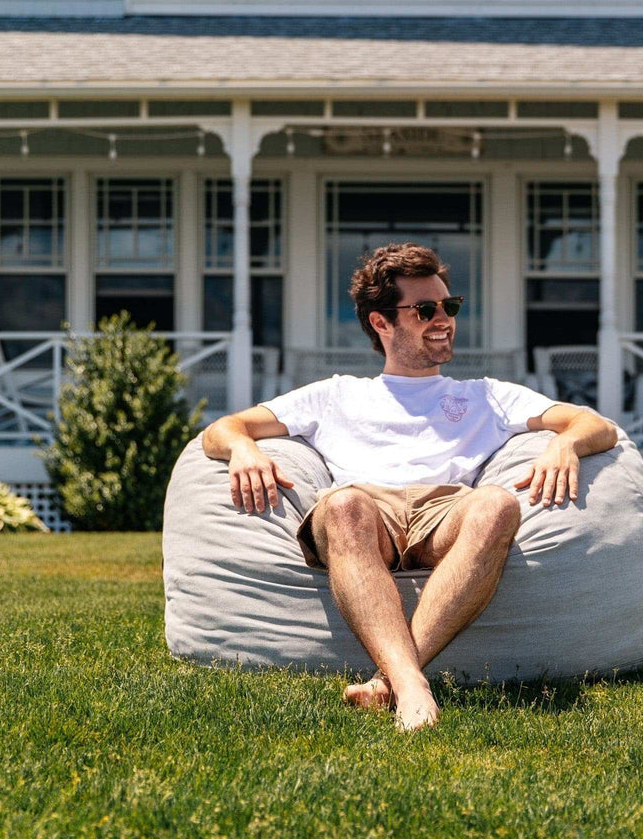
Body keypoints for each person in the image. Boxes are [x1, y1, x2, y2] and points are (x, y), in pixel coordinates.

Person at [202, 243, 618, 731]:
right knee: (344, 506)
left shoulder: (485, 395)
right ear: (382, 323)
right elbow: (221, 429)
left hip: (443, 510)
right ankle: (413, 684)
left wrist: (565, 445)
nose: (443, 318)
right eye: (425, 309)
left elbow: (597, 425)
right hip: (364, 511)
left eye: (450, 306)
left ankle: (393, 681)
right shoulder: (334, 394)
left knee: (498, 504)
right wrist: (246, 449)